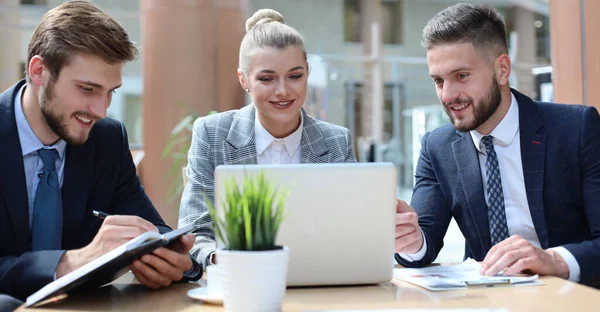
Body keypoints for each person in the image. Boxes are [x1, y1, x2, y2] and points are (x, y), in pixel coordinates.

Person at [0, 1, 201, 302]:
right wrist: (68, 264)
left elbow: (151, 229)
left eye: (111, 92)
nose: (101, 109)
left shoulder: (107, 139)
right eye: (87, 89)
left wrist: (176, 261)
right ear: (39, 71)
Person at [394, 2, 600, 287]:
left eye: (461, 76)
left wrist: (553, 260)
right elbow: (424, 240)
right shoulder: (437, 146)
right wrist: (410, 239)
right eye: (438, 80)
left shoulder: (576, 129)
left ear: (502, 69)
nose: (448, 94)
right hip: (489, 299)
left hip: (572, 296)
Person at [179, 9, 356, 269]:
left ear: (307, 73)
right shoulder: (211, 133)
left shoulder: (337, 141)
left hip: (319, 281)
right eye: (267, 78)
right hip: (241, 282)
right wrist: (224, 259)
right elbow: (195, 232)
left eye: (295, 76)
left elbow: (352, 228)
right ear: (244, 80)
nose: (283, 91)